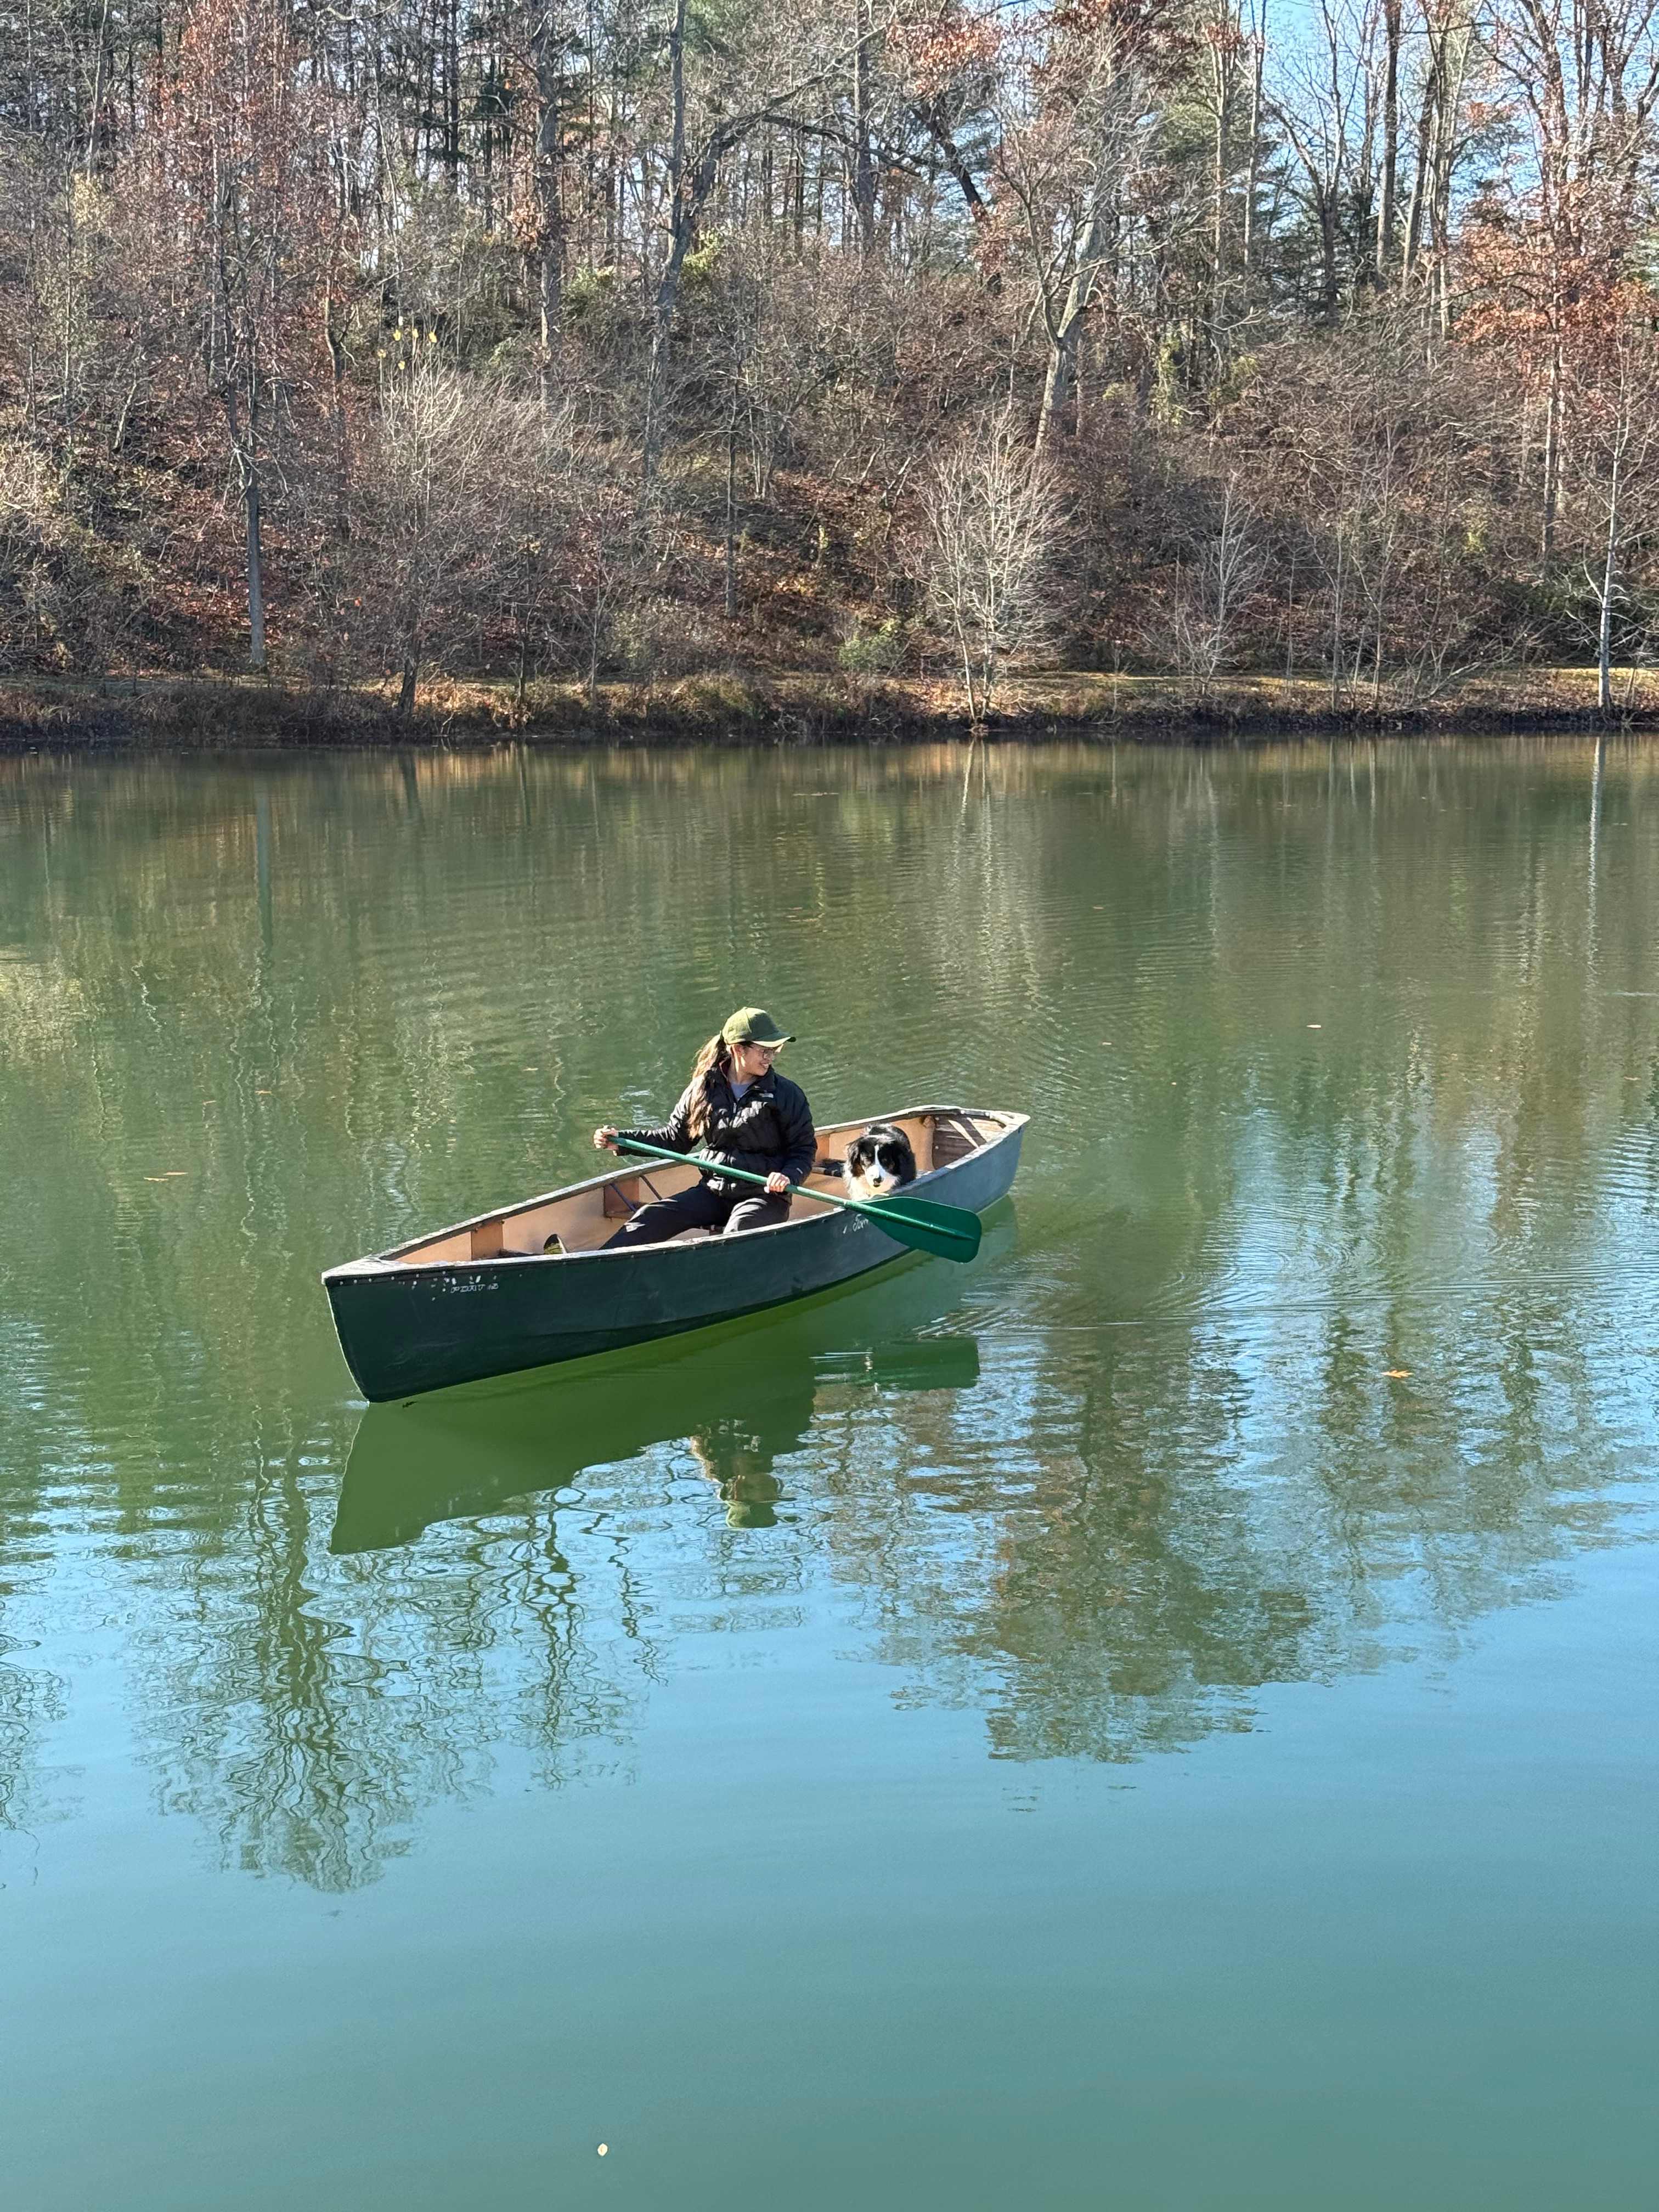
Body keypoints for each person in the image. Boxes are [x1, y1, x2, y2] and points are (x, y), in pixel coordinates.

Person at [592, 1008, 816, 1248]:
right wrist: (622, 1141)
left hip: (764, 1197)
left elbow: (803, 1150)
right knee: (651, 1217)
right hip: (713, 1191)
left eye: (775, 1050)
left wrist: (787, 1176)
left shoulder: (786, 1094)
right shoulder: (703, 1089)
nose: (771, 1057)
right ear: (738, 1049)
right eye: (764, 1050)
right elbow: (674, 1139)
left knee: (736, 1237)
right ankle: (591, 1267)